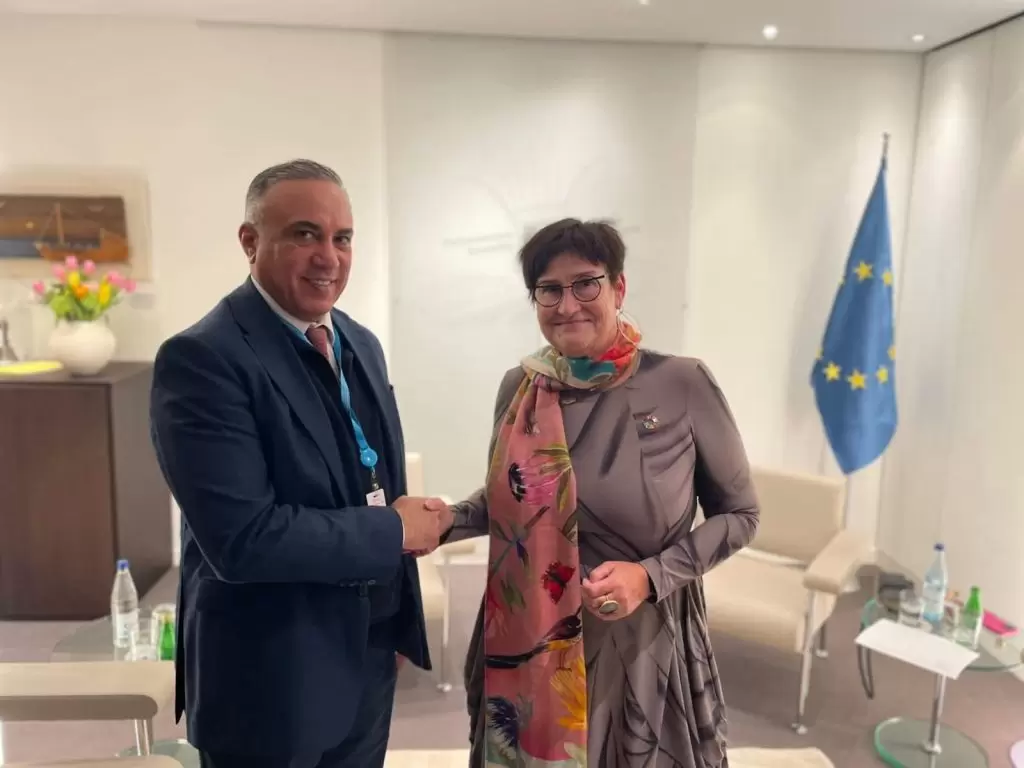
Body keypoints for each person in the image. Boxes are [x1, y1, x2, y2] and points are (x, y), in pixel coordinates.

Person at [150, 159, 451, 768]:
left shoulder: (359, 342)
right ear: (250, 241)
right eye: (305, 234)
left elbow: (373, 478)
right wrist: (393, 531)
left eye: (343, 238)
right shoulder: (203, 359)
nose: (329, 258)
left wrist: (392, 615)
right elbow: (243, 539)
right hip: (271, 677)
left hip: (367, 655)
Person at [446, 219, 760, 768]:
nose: (568, 305)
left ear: (618, 287)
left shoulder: (682, 383)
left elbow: (741, 515)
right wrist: (442, 520)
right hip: (530, 638)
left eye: (585, 283)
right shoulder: (520, 388)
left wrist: (650, 576)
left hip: (639, 641)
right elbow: (512, 500)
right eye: (549, 289)